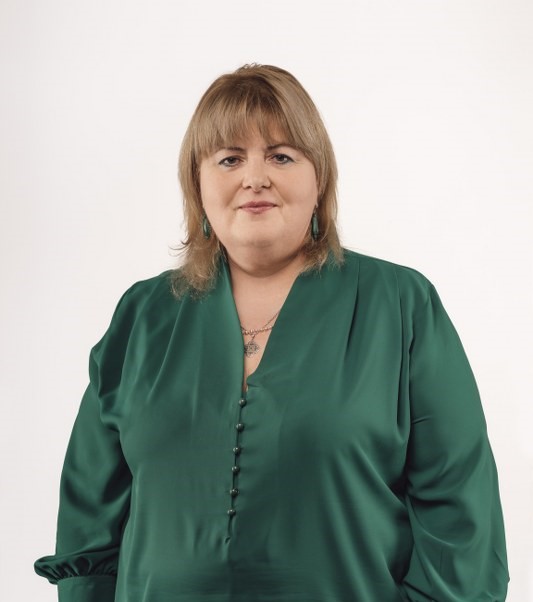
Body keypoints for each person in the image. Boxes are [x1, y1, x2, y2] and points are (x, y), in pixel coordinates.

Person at [34, 64, 509, 601]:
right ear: (197, 183)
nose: (254, 177)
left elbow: (460, 514)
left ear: (318, 178)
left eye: (281, 156)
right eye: (229, 158)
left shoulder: (401, 306)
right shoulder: (142, 317)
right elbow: (90, 517)